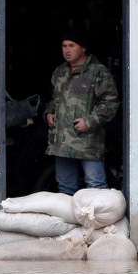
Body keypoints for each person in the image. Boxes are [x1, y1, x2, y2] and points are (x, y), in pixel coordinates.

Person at [43, 29, 120, 195]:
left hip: (88, 141)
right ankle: (68, 222)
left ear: (83, 48)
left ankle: (98, 221)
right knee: (65, 189)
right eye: (64, 46)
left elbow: (110, 102)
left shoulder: (97, 72)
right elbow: (54, 99)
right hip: (62, 142)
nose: (67, 50)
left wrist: (90, 121)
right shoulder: (60, 72)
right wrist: (49, 113)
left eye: (72, 45)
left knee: (96, 186)